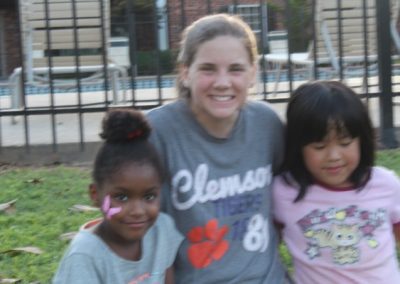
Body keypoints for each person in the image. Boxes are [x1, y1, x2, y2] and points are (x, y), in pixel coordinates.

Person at [147, 13, 287, 283]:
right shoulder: (157, 133)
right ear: (185, 72)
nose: (222, 82)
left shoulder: (267, 124)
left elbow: (291, 192)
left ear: (252, 74)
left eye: (235, 69)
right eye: (208, 69)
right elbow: (146, 232)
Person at [272, 80, 400, 283]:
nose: (333, 156)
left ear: (362, 140)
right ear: (298, 146)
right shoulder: (283, 192)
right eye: (319, 146)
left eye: (345, 143)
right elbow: (267, 251)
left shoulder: (386, 186)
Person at [53, 109, 183, 284]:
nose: (137, 211)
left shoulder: (162, 230)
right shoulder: (84, 256)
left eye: (149, 196)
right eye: (121, 197)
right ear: (95, 195)